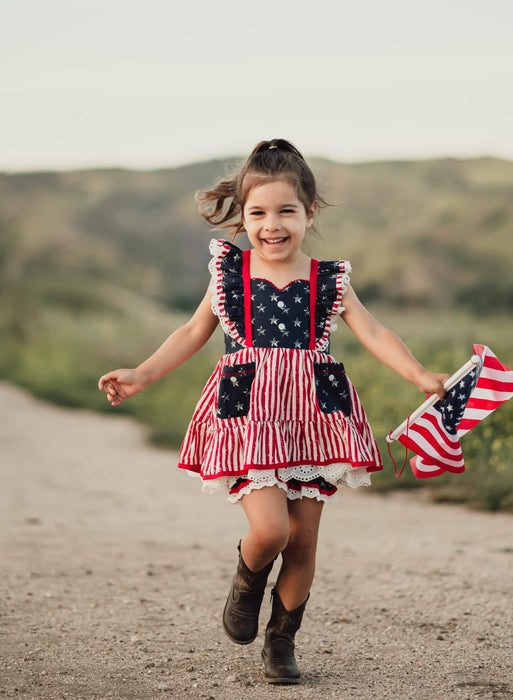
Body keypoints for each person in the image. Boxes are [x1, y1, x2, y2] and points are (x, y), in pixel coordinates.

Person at [99, 139, 448, 685]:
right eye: (258, 212)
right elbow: (193, 331)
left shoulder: (330, 279)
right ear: (242, 215)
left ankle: (280, 643)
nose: (272, 224)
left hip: (315, 416)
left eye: (287, 211)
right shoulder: (229, 274)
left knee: (304, 539)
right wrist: (141, 374)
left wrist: (420, 376)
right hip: (248, 416)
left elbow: (376, 332)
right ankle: (246, 581)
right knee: (271, 532)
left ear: (310, 212)